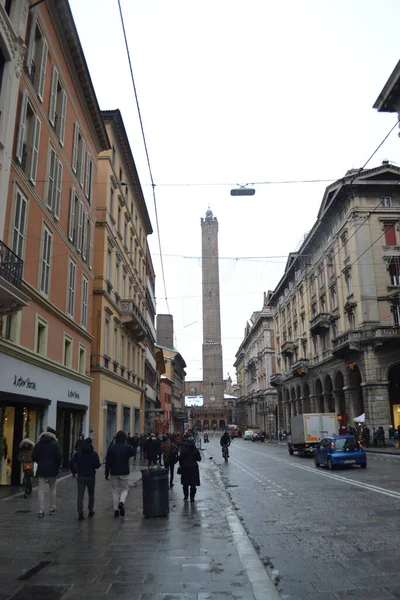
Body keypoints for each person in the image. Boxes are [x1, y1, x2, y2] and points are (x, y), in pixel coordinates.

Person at [32, 426, 62, 518]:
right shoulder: (55, 444)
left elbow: (34, 456)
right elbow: (59, 456)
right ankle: (52, 508)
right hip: (52, 470)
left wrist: (40, 462)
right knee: (52, 488)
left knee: (41, 489)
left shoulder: (39, 444)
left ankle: (41, 510)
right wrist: (56, 466)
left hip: (41, 469)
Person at [69, 437, 101, 521]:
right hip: (90, 476)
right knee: (91, 494)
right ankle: (90, 510)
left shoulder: (79, 453)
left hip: (80, 476)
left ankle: (80, 512)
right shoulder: (94, 453)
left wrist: (74, 472)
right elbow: (97, 465)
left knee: (80, 495)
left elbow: (71, 462)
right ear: (91, 443)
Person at [105, 430, 135, 518]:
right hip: (124, 471)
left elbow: (108, 462)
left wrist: (106, 473)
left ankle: (116, 510)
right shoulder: (128, 447)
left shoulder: (111, 448)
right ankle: (121, 502)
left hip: (114, 472)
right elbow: (132, 453)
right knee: (125, 489)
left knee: (115, 490)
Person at [179, 437, 201, 502]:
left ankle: (186, 496)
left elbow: (180, 459)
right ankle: (192, 498)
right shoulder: (195, 450)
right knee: (193, 484)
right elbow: (199, 459)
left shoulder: (184, 450)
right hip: (194, 468)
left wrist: (181, 466)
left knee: (185, 484)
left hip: (185, 468)